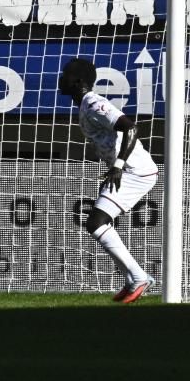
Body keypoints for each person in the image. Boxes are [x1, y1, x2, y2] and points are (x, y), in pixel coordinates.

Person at [58, 58, 159, 303]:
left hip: (135, 170)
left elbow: (131, 128)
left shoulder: (93, 102)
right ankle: (134, 277)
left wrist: (118, 166)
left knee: (95, 222)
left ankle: (138, 277)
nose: (61, 78)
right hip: (130, 170)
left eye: (66, 75)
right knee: (98, 222)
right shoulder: (85, 105)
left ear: (79, 81)